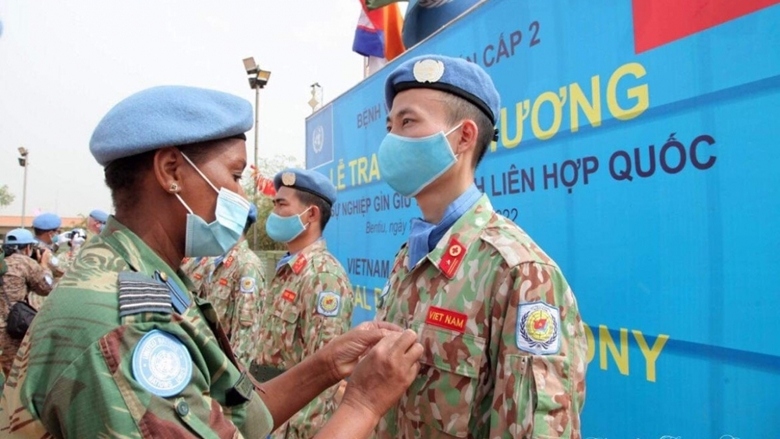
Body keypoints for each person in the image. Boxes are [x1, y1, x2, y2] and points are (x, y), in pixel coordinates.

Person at [0, 85, 423, 439]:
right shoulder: (125, 327)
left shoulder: (145, 275)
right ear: (171, 172)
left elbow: (238, 416)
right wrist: (364, 403)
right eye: (236, 175)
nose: (244, 198)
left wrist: (329, 363)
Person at [374, 55, 588, 438]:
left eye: (408, 122)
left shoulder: (519, 272)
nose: (392, 139)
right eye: (390, 126)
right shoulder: (408, 258)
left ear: (463, 137)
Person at [253, 168, 354, 439]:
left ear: (310, 215)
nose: (273, 212)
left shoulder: (324, 276)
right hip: (266, 410)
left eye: (281, 204)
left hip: (290, 425)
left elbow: (325, 376)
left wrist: (292, 433)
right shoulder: (288, 270)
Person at [181, 204, 265, 369]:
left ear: (235, 222)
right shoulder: (212, 262)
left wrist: (232, 384)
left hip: (223, 372)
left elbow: (245, 337)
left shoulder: (247, 266)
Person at [0, 229, 53, 379]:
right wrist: (44, 265)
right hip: (9, 331)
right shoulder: (24, 262)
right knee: (12, 376)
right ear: (28, 248)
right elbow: (46, 288)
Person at [29, 212, 64, 308]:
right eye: (58, 231)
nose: (58, 234)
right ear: (50, 234)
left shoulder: (29, 245)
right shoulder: (44, 252)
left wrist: (56, 245)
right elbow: (60, 271)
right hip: (37, 300)